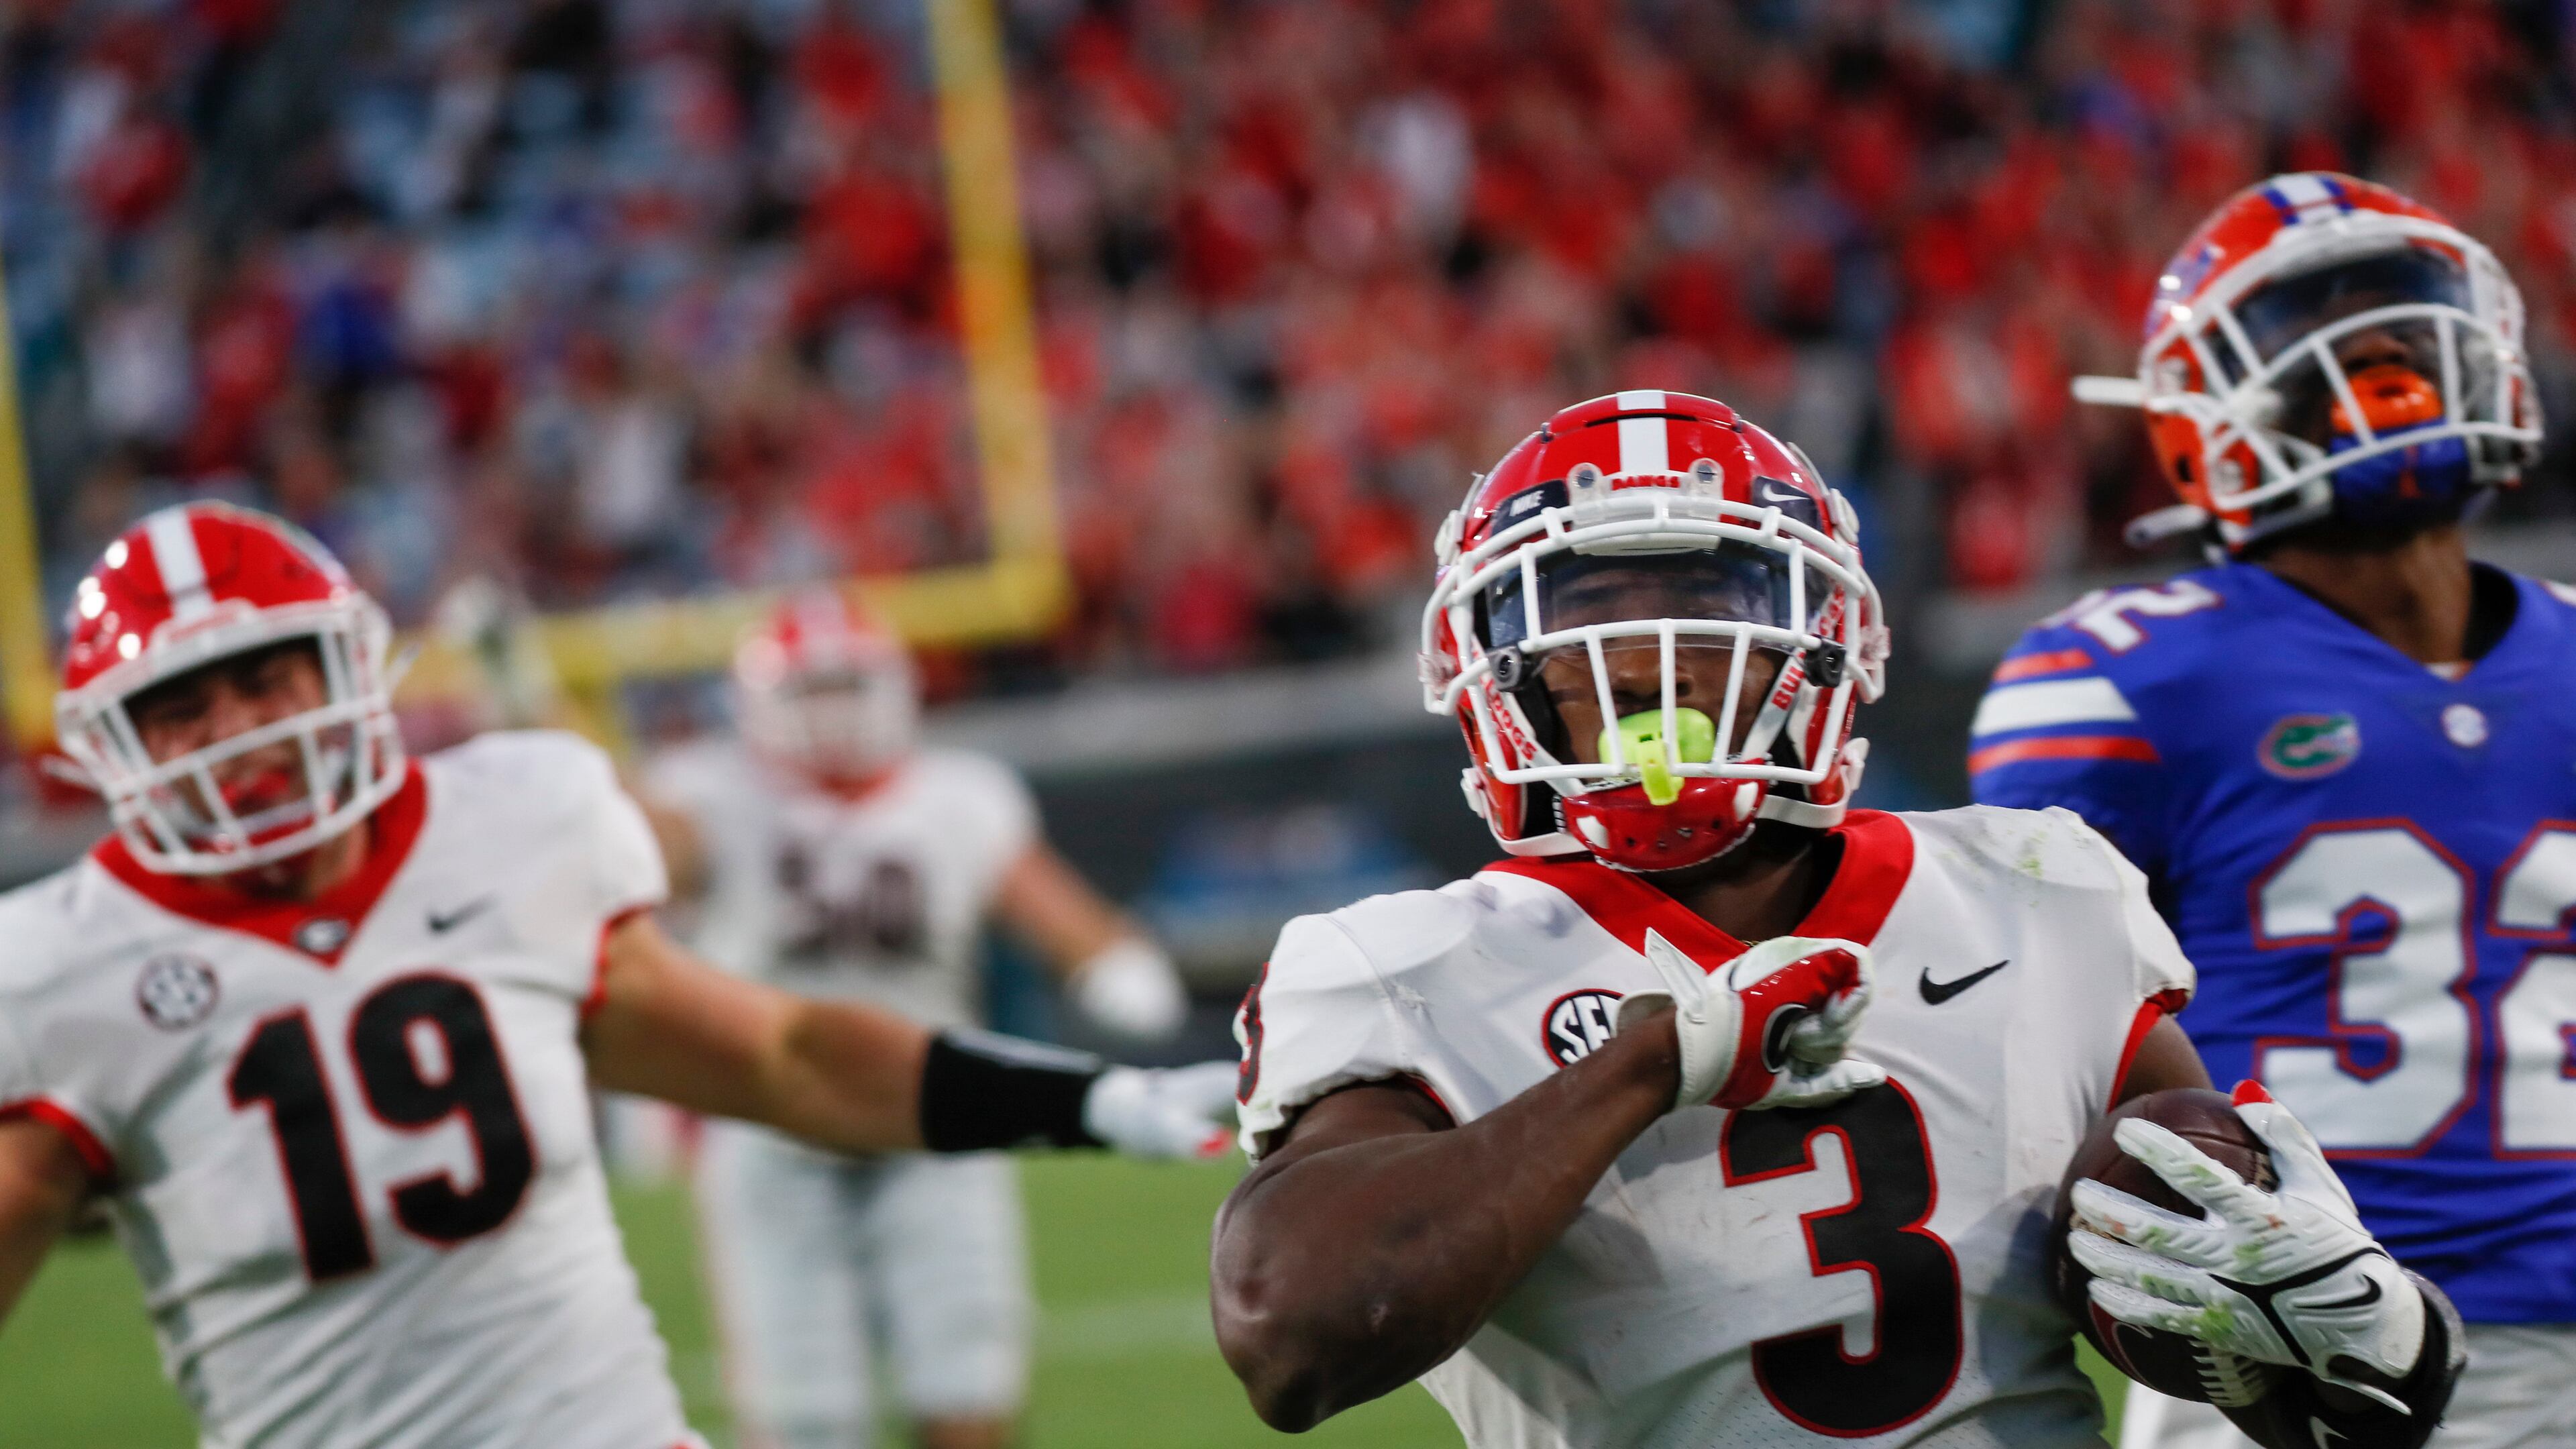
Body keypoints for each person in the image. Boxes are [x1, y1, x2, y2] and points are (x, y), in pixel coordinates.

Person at [1208, 390, 2461, 1448]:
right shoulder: (1409, 966)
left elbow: (2258, 1354)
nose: (1651, 662)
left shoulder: (2037, 887)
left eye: (1717, 603)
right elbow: (1294, 1339)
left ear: (1824, 647)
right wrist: (1654, 1064)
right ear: (1489, 671)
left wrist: (2374, 1334)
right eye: (1584, 610)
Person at [0, 501, 1234, 1449]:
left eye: (265, 678)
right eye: (182, 707)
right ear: (112, 741)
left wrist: (1077, 1100)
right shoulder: (63, 969)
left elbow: (783, 1056)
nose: (241, 737)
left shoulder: (515, 823)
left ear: (345, 673)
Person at [1974, 172, 2576, 1449]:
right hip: (2290, 1333)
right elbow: (2023, 1051)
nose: (2390, 366)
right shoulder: (2126, 672)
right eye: (2331, 335)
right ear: (2211, 412)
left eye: (2408, 326)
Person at [641, 590, 1191, 1449]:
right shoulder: (714, 790)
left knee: (967, 1399)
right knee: (804, 1423)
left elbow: (1048, 906)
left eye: (846, 688)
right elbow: (643, 854)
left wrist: (1108, 962)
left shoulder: (958, 795)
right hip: (771, 1131)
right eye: (808, 693)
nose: (831, 714)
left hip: (932, 1115)